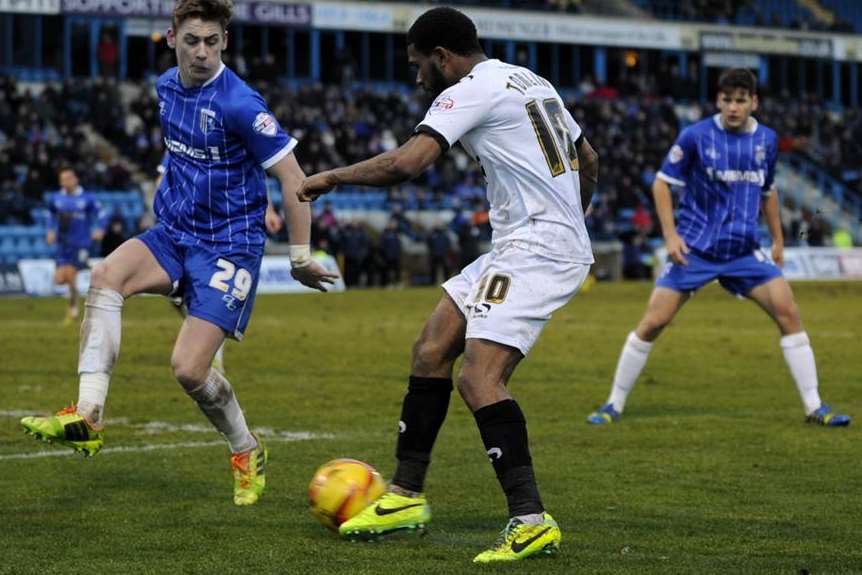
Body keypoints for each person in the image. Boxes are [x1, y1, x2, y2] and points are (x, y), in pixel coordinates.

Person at [299, 7, 598, 563]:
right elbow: (589, 158)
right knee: (432, 346)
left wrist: (331, 177)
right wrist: (572, 223)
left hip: (535, 248)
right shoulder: (530, 79)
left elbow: (407, 163)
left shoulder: (471, 87)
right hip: (522, 244)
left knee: (480, 376)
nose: (417, 78)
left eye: (418, 66)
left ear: (441, 57)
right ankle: (406, 495)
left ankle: (531, 520)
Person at [21, 0, 337, 506]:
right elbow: (176, 148)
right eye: (192, 40)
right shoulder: (166, 88)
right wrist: (164, 183)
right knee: (105, 276)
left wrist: (298, 257)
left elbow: (293, 178)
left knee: (190, 370)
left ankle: (246, 449)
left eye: (212, 41)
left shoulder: (241, 104)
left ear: (225, 42)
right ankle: (88, 414)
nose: (202, 52)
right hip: (174, 232)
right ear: (171, 38)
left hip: (229, 247)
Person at [587, 68, 850, 428]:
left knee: (789, 314)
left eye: (741, 100)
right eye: (727, 100)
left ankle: (814, 406)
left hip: (744, 252)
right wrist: (670, 236)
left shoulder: (767, 141)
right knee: (653, 322)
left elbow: (767, 192)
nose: (733, 107)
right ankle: (613, 403)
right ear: (718, 101)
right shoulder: (696, 136)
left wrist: (777, 240)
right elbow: (662, 185)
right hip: (694, 250)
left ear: (753, 103)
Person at [153, 152, 285, 375]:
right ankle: (204, 342)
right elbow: (162, 178)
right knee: (179, 298)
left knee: (205, 294)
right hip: (184, 231)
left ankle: (211, 352)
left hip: (222, 236)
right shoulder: (180, 138)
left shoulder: (231, 139)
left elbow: (256, 175)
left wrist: (269, 210)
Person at [45, 166, 104, 325]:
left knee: (71, 275)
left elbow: (101, 214)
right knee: (60, 279)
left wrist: (100, 228)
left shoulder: (87, 198)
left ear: (75, 179)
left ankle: (72, 311)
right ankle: (77, 302)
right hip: (62, 243)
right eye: (62, 179)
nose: (65, 182)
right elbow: (50, 214)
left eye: (68, 178)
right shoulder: (56, 198)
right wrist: (50, 230)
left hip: (80, 243)